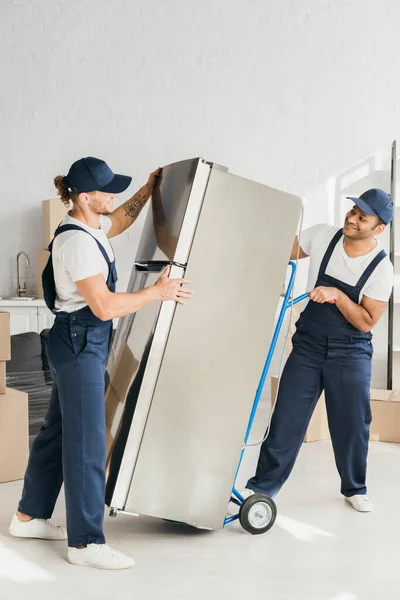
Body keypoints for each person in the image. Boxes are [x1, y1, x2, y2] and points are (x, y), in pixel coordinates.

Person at [9, 157, 194, 569]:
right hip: (80, 341)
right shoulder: (75, 242)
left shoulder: (91, 225)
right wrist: (157, 293)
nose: (115, 196)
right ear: (85, 196)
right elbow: (106, 306)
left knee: (57, 433)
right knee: (86, 443)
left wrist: (147, 191)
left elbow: (121, 220)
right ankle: (86, 544)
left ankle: (29, 516)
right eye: (108, 191)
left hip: (76, 340)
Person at [243, 188, 393, 513]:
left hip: (349, 352)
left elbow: (366, 321)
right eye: (353, 211)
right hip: (308, 346)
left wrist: (337, 295)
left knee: (352, 423)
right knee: (286, 419)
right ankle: (261, 490)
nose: (352, 219)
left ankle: (355, 488)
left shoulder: (382, 269)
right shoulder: (322, 236)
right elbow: (280, 250)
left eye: (362, 217)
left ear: (378, 229)